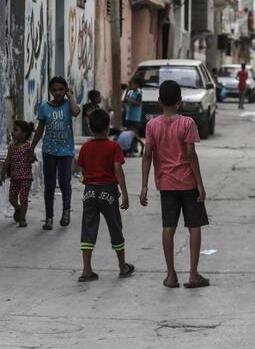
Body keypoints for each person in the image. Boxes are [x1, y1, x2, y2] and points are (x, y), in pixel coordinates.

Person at [140, 80, 209, 289]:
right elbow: (190, 154)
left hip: (166, 185)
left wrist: (144, 186)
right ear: (180, 101)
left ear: (159, 101)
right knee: (194, 227)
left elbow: (147, 155)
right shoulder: (187, 123)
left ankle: (171, 275)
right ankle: (193, 275)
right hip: (188, 183)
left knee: (168, 228)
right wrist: (200, 184)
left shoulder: (152, 125)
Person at [76, 108, 135, 282]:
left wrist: (89, 178)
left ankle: (87, 269)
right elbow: (118, 169)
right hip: (108, 190)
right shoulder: (114, 146)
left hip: (90, 191)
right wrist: (124, 193)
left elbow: (83, 168)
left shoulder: (86, 146)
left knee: (88, 228)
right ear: (108, 128)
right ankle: (122, 266)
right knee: (115, 227)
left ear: (90, 127)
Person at [31, 76, 81, 230]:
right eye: (54, 90)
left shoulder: (68, 105)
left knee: (65, 183)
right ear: (50, 91)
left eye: (61, 90)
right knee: (50, 185)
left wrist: (71, 96)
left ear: (65, 90)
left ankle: (66, 212)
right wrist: (31, 148)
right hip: (49, 151)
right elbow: (40, 130)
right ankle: (49, 217)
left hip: (66, 151)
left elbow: (76, 112)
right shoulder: (44, 108)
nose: (58, 93)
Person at [0, 120, 35, 227]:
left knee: (23, 198)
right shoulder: (11, 147)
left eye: (15, 130)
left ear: (24, 133)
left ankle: (22, 218)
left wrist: (32, 157)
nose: (12, 132)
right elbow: (7, 161)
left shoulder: (28, 146)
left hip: (26, 177)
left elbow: (32, 159)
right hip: (14, 177)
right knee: (12, 198)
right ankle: (18, 209)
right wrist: (3, 174)